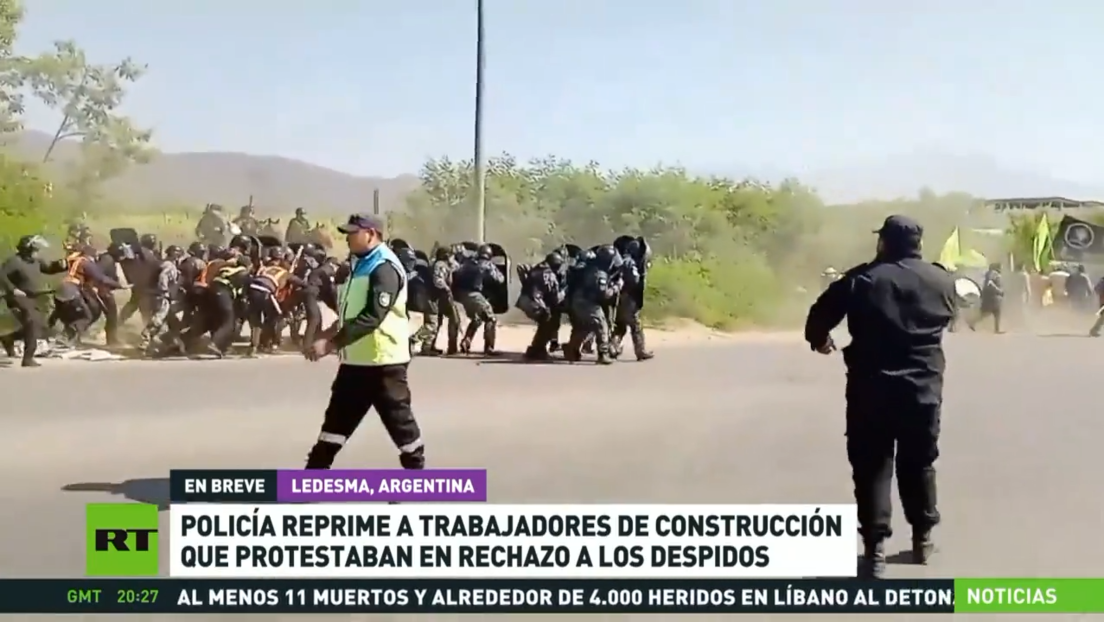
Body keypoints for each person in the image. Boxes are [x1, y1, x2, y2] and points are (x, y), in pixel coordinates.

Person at [804, 215, 955, 579]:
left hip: (870, 387)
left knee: (872, 467)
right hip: (924, 388)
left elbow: (819, 318)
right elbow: (948, 317)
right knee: (919, 463)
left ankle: (875, 551)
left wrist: (821, 341)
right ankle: (923, 538)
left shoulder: (862, 279)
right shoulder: (942, 279)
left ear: (883, 242)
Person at [301, 213, 424, 471]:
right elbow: (352, 312)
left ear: (371, 233)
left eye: (353, 233)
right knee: (335, 424)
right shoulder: (359, 264)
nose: (347, 238)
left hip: (384, 363)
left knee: (400, 426)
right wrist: (329, 333)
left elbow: (372, 317)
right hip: (356, 361)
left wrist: (331, 344)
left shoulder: (385, 267)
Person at [1, 235, 69, 366]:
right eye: (35, 250)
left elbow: (48, 268)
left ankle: (8, 339)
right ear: (27, 250)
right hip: (17, 297)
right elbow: (1, 275)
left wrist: (60, 265)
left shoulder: (36, 261)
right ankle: (28, 358)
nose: (38, 253)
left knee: (38, 325)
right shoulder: (14, 262)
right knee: (32, 322)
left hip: (33, 297)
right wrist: (12, 289)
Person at [969, 263, 1003, 333]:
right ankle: (997, 329)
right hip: (992, 296)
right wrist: (998, 290)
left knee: (988, 313)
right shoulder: (994, 273)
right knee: (993, 312)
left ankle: (973, 322)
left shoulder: (989, 273)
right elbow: (990, 283)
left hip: (988, 296)